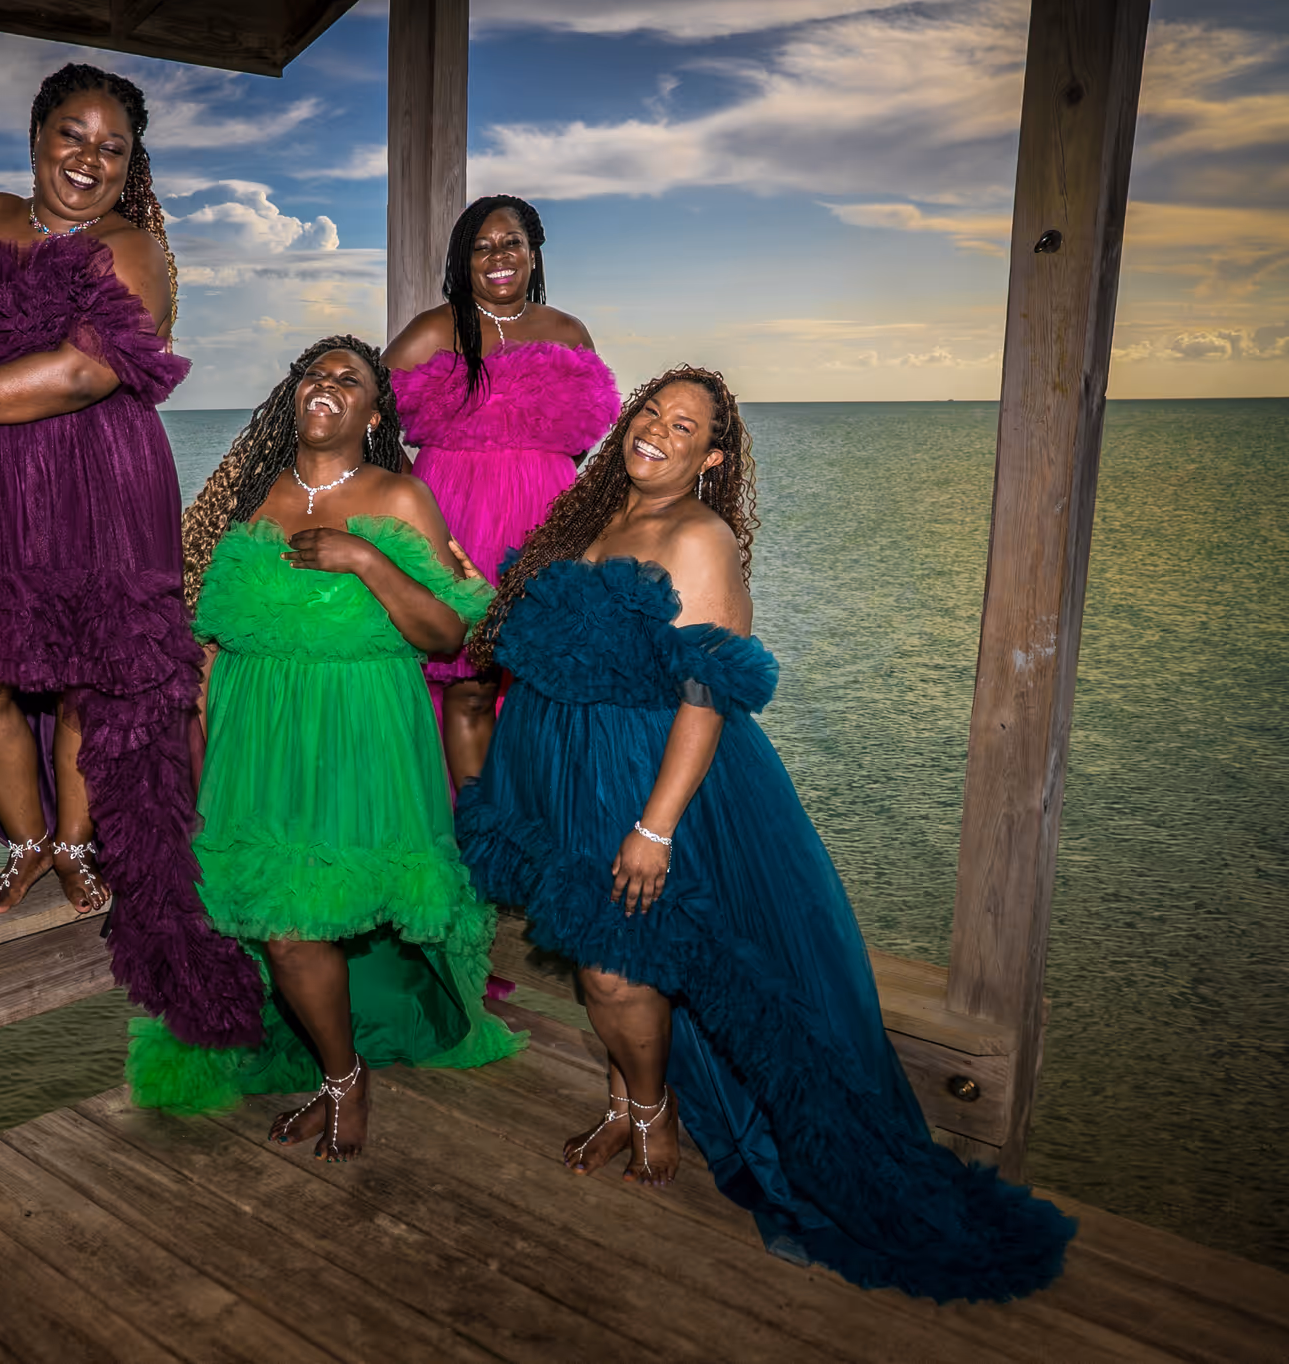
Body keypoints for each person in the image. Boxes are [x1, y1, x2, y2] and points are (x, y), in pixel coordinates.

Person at [454, 366, 1075, 1298]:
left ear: (712, 457)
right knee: (605, 955)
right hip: (564, 779)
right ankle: (625, 1100)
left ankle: (653, 1109)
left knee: (618, 968)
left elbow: (706, 694)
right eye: (651, 413)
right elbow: (543, 643)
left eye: (685, 426)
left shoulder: (699, 537)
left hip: (648, 782)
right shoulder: (587, 519)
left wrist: (656, 828)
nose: (658, 431)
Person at [0, 63, 261, 1050]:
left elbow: (85, 371)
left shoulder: (134, 247)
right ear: (36, 135)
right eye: (72, 135)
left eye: (111, 146)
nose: (88, 158)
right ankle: (30, 836)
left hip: (99, 479)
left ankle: (78, 843)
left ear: (131, 164)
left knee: (91, 674)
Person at [128, 336, 523, 1158]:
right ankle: (341, 1073)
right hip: (258, 741)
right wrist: (206, 714)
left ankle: (343, 1080)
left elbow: (445, 632)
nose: (327, 385)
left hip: (358, 738)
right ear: (295, 393)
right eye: (316, 373)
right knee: (279, 918)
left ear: (373, 414)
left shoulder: (400, 495)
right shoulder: (258, 494)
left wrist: (365, 559)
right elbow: (216, 627)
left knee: (304, 919)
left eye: (350, 379)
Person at [382, 195, 618, 788]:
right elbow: (367, 413)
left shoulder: (568, 331)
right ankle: (475, 827)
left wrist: (540, 469)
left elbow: (586, 428)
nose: (498, 256)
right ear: (463, 261)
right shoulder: (435, 328)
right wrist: (405, 494)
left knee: (544, 680)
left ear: (533, 252)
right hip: (456, 522)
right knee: (472, 684)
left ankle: (533, 811)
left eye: (511, 242)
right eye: (481, 247)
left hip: (546, 524)